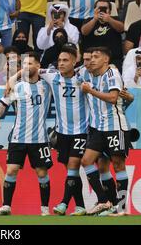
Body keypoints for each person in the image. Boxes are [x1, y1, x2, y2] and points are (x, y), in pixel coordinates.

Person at [0, 52, 53, 216]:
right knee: (11, 170)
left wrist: (15, 75)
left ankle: (44, 209)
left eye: (30, 64)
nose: (26, 67)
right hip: (18, 137)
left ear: (38, 66)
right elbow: (4, 103)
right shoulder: (17, 87)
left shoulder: (47, 86)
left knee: (42, 173)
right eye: (23, 64)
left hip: (39, 139)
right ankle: (6, 206)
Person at [37, 45, 88, 216]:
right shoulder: (52, 76)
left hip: (81, 131)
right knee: (71, 172)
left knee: (73, 167)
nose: (61, 63)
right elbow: (31, 68)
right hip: (62, 133)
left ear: (75, 61)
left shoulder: (83, 76)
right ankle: (80, 206)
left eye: (65, 60)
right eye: (59, 60)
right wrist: (10, 82)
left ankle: (64, 203)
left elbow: (104, 66)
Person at [80, 47, 130, 216]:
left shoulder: (112, 74)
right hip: (98, 128)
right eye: (90, 57)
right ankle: (104, 201)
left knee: (118, 164)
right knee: (87, 161)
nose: (92, 59)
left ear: (106, 60)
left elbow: (113, 98)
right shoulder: (88, 74)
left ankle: (122, 208)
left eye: (96, 57)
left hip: (115, 126)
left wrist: (90, 91)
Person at [80, 0, 125, 71]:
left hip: (113, 60)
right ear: (94, 10)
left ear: (110, 11)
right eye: (99, 8)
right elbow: (84, 32)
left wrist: (109, 19)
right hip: (92, 59)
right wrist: (94, 19)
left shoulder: (115, 19)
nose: (102, 10)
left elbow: (121, 28)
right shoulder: (89, 20)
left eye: (104, 8)